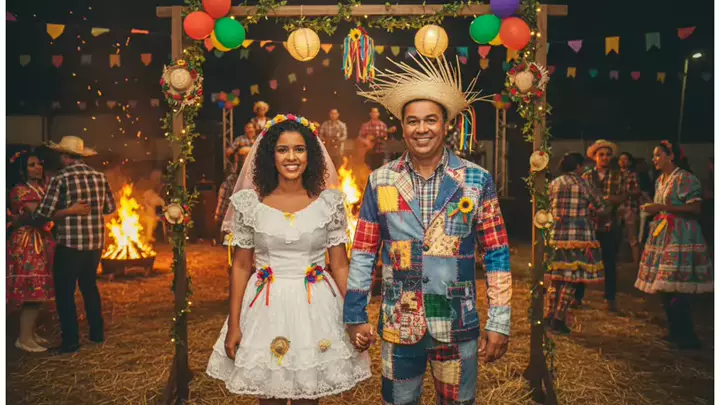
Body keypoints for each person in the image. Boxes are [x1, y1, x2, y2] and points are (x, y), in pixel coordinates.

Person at [348, 54, 511, 405]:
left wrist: (499, 321)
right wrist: (355, 315)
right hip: (399, 324)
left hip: (456, 324)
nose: (421, 129)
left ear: (446, 124)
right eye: (413, 121)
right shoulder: (381, 180)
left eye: (430, 120)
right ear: (402, 126)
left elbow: (496, 254)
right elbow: (363, 253)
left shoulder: (475, 179)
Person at [206, 114, 371, 402]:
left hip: (316, 308)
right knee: (269, 393)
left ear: (311, 154)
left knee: (310, 392)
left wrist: (357, 317)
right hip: (265, 308)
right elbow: (241, 266)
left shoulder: (329, 204)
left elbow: (340, 264)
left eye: (299, 149)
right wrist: (234, 324)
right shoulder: (250, 205)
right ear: (270, 155)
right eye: (282, 149)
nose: (291, 157)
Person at [33, 136, 117, 354]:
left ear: (64, 156)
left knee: (65, 293)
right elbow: (110, 208)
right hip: (95, 244)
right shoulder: (99, 177)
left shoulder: (60, 178)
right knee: (89, 287)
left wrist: (62, 212)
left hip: (69, 245)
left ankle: (71, 342)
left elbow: (43, 213)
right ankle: (97, 335)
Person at [7, 150, 91, 352]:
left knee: (38, 292)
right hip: (28, 243)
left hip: (41, 241)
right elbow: (40, 215)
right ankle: (24, 338)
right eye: (31, 165)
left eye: (39, 164)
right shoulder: (20, 191)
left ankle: (30, 333)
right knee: (32, 293)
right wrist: (71, 210)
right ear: (22, 170)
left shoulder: (41, 189)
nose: (38, 168)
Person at [636, 140, 713, 349]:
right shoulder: (660, 180)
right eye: (654, 156)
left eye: (658, 155)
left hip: (681, 234)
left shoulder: (685, 178)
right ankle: (674, 330)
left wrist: (662, 207)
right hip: (664, 233)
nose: (654, 159)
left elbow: (695, 209)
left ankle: (686, 334)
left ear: (671, 156)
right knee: (665, 284)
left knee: (679, 285)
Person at [545, 152, 606, 334]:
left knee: (556, 277)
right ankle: (559, 318)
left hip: (557, 235)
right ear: (578, 166)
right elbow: (601, 207)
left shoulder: (554, 183)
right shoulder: (583, 184)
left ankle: (548, 314)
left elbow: (546, 206)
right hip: (579, 237)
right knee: (571, 279)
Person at [573, 140, 635, 312]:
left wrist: (608, 200)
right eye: (601, 155)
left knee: (609, 262)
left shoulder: (618, 175)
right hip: (589, 224)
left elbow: (624, 196)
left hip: (610, 223)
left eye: (608, 155)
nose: (605, 158)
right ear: (595, 157)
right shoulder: (587, 176)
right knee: (583, 260)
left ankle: (610, 298)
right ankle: (577, 297)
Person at [618, 152, 642, 269]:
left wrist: (627, 193)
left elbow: (637, 191)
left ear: (630, 162)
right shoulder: (614, 174)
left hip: (629, 207)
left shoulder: (633, 175)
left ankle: (636, 263)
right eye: (621, 159)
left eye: (625, 159)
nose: (623, 161)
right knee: (616, 236)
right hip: (617, 208)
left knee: (632, 236)